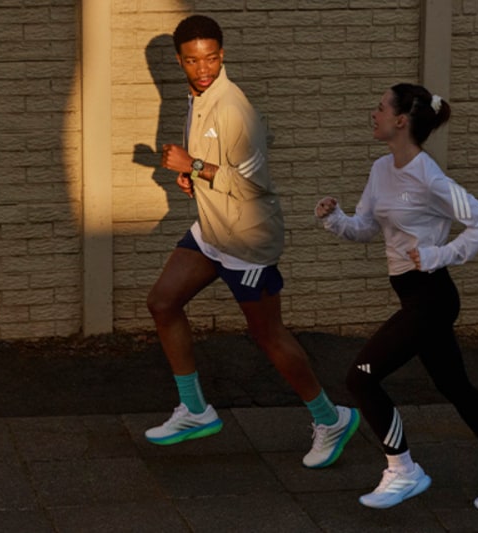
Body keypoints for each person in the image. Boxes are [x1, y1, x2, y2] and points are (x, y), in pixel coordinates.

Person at [146, 14, 359, 469]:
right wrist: (194, 176)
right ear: (179, 62)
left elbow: (255, 185)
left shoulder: (231, 106)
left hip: (247, 240)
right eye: (192, 60)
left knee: (267, 335)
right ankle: (196, 410)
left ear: (223, 56)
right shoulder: (198, 97)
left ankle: (330, 418)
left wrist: (194, 165)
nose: (203, 68)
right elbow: (241, 156)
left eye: (211, 58)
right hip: (213, 230)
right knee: (163, 303)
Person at [314, 83, 478, 509]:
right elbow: (365, 227)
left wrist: (439, 253)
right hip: (412, 295)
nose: (373, 113)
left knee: (360, 377)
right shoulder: (382, 169)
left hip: (432, 296)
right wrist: (335, 218)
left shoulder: (429, 176)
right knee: (455, 385)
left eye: (380, 108)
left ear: (402, 120)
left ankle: (403, 471)